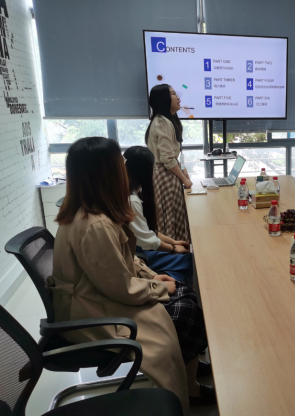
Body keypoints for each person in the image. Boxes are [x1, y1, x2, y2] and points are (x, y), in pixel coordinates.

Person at [48, 137, 215, 410]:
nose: (124, 169)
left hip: (95, 297)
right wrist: (157, 288)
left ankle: (188, 374)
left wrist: (151, 277)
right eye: (119, 163)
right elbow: (121, 287)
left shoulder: (95, 212)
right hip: (90, 313)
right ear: (106, 172)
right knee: (184, 310)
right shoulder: (95, 225)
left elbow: (123, 262)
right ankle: (185, 390)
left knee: (185, 294)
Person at [124, 146, 194, 286]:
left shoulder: (133, 194)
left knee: (187, 257)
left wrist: (174, 242)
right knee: (189, 261)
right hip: (137, 254)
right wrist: (173, 248)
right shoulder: (132, 201)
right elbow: (147, 240)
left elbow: (150, 231)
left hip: (140, 250)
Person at [145, 84, 193, 242]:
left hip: (167, 172)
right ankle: (175, 249)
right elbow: (166, 158)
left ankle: (177, 247)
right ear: (163, 99)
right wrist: (184, 179)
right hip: (164, 175)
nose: (178, 98)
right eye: (173, 94)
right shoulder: (162, 122)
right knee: (170, 215)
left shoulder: (168, 120)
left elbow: (172, 156)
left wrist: (183, 171)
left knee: (172, 215)